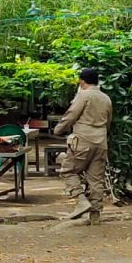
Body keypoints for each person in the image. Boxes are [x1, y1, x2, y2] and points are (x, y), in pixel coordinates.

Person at [53, 68, 113, 225]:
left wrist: (58, 130)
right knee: (96, 179)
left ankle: (81, 201)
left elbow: (71, 115)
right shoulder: (106, 98)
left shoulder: (84, 95)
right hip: (101, 142)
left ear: (82, 81)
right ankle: (95, 216)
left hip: (83, 140)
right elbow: (108, 122)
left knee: (68, 171)